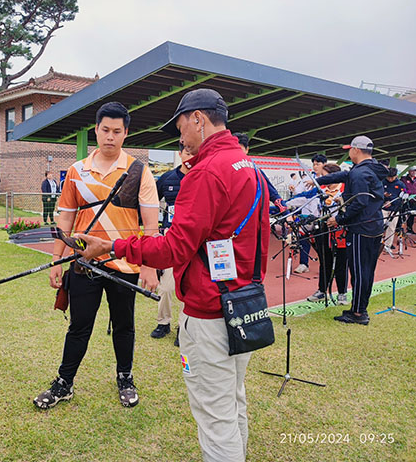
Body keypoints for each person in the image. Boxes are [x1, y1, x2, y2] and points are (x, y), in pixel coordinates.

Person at [78, 89, 269, 462]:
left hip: (209, 311)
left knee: (215, 417)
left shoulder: (205, 173)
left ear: (198, 119)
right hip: (244, 302)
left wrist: (113, 248)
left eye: (181, 127)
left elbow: (172, 249)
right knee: (231, 400)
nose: (180, 138)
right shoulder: (250, 168)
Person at [33, 102, 160, 410]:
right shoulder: (77, 171)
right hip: (84, 264)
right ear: (96, 130)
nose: (110, 137)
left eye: (117, 131)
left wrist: (149, 267)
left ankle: (125, 377)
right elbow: (64, 220)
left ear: (126, 133)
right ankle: (64, 383)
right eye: (105, 130)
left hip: (124, 263)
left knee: (124, 326)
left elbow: (151, 226)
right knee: (79, 326)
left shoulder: (139, 171)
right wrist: (55, 260)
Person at [317, 136, 388, 325]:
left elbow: (359, 202)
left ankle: (357, 313)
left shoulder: (360, 174)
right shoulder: (369, 169)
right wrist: (320, 179)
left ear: (355, 150)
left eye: (350, 149)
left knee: (358, 271)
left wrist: (338, 219)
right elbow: (343, 175)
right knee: (367, 270)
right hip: (374, 226)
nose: (348, 152)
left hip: (360, 229)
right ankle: (360, 307)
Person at [150, 144, 193, 344]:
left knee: (189, 289)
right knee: (166, 287)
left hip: (194, 242)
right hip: (170, 240)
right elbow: (150, 203)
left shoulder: (204, 176)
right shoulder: (167, 178)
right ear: (180, 154)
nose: (191, 156)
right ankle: (163, 323)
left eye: (195, 152)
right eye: (187, 152)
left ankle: (182, 328)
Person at [288, 163, 349, 304]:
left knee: (341, 263)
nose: (321, 179)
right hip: (323, 230)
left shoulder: (346, 190)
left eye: (324, 176)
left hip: (341, 232)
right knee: (325, 262)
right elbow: (303, 197)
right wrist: (284, 204)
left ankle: (342, 294)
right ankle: (322, 290)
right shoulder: (319, 190)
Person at [234, 132, 286, 211]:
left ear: (247, 150)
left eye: (240, 150)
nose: (237, 154)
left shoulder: (254, 169)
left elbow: (272, 193)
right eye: (234, 150)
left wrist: (286, 213)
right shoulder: (223, 169)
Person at [382, 167, 406, 250]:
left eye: (392, 177)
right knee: (380, 226)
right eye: (388, 177)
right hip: (383, 208)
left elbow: (403, 198)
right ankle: (378, 243)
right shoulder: (382, 182)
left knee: (391, 228)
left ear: (396, 176)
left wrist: (392, 202)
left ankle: (387, 245)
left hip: (394, 209)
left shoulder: (400, 184)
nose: (390, 179)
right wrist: (384, 197)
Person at [401, 166, 416, 233]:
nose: (414, 172)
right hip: (406, 200)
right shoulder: (404, 179)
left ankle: (409, 229)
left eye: (415, 171)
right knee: (403, 215)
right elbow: (402, 188)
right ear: (409, 171)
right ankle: (400, 229)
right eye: (412, 171)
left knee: (412, 215)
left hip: (414, 201)